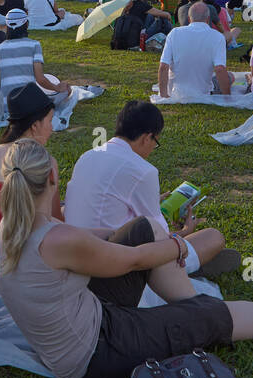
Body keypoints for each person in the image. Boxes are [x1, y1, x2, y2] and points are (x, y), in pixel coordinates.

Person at [0, 139, 253, 378]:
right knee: (205, 312)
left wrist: (154, 233)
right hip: (94, 353)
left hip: (81, 318)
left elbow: (91, 235)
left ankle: (189, 307)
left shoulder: (13, 225)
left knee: (140, 229)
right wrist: (177, 245)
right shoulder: (58, 240)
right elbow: (131, 261)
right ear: (52, 179)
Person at [65, 100, 235, 278]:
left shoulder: (88, 156)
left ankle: (194, 259)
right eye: (156, 142)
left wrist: (152, 200)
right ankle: (190, 264)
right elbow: (160, 239)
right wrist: (185, 231)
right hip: (116, 267)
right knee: (213, 237)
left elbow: (108, 204)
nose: (153, 148)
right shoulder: (142, 170)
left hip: (74, 257)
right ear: (147, 137)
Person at [0, 82, 59, 279]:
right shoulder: (47, 163)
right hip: (14, 266)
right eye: (50, 121)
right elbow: (52, 219)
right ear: (35, 126)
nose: (52, 128)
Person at [0, 9, 69, 106]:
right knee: (67, 90)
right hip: (28, 104)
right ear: (26, 24)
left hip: (6, 105)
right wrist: (57, 88)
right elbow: (40, 79)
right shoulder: (34, 45)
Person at [158, 1, 232, 100]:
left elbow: (163, 66)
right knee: (230, 76)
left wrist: (164, 96)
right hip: (203, 91)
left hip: (177, 92)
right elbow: (220, 69)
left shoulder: (174, 33)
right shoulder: (217, 37)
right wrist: (228, 98)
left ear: (189, 19)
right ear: (208, 19)